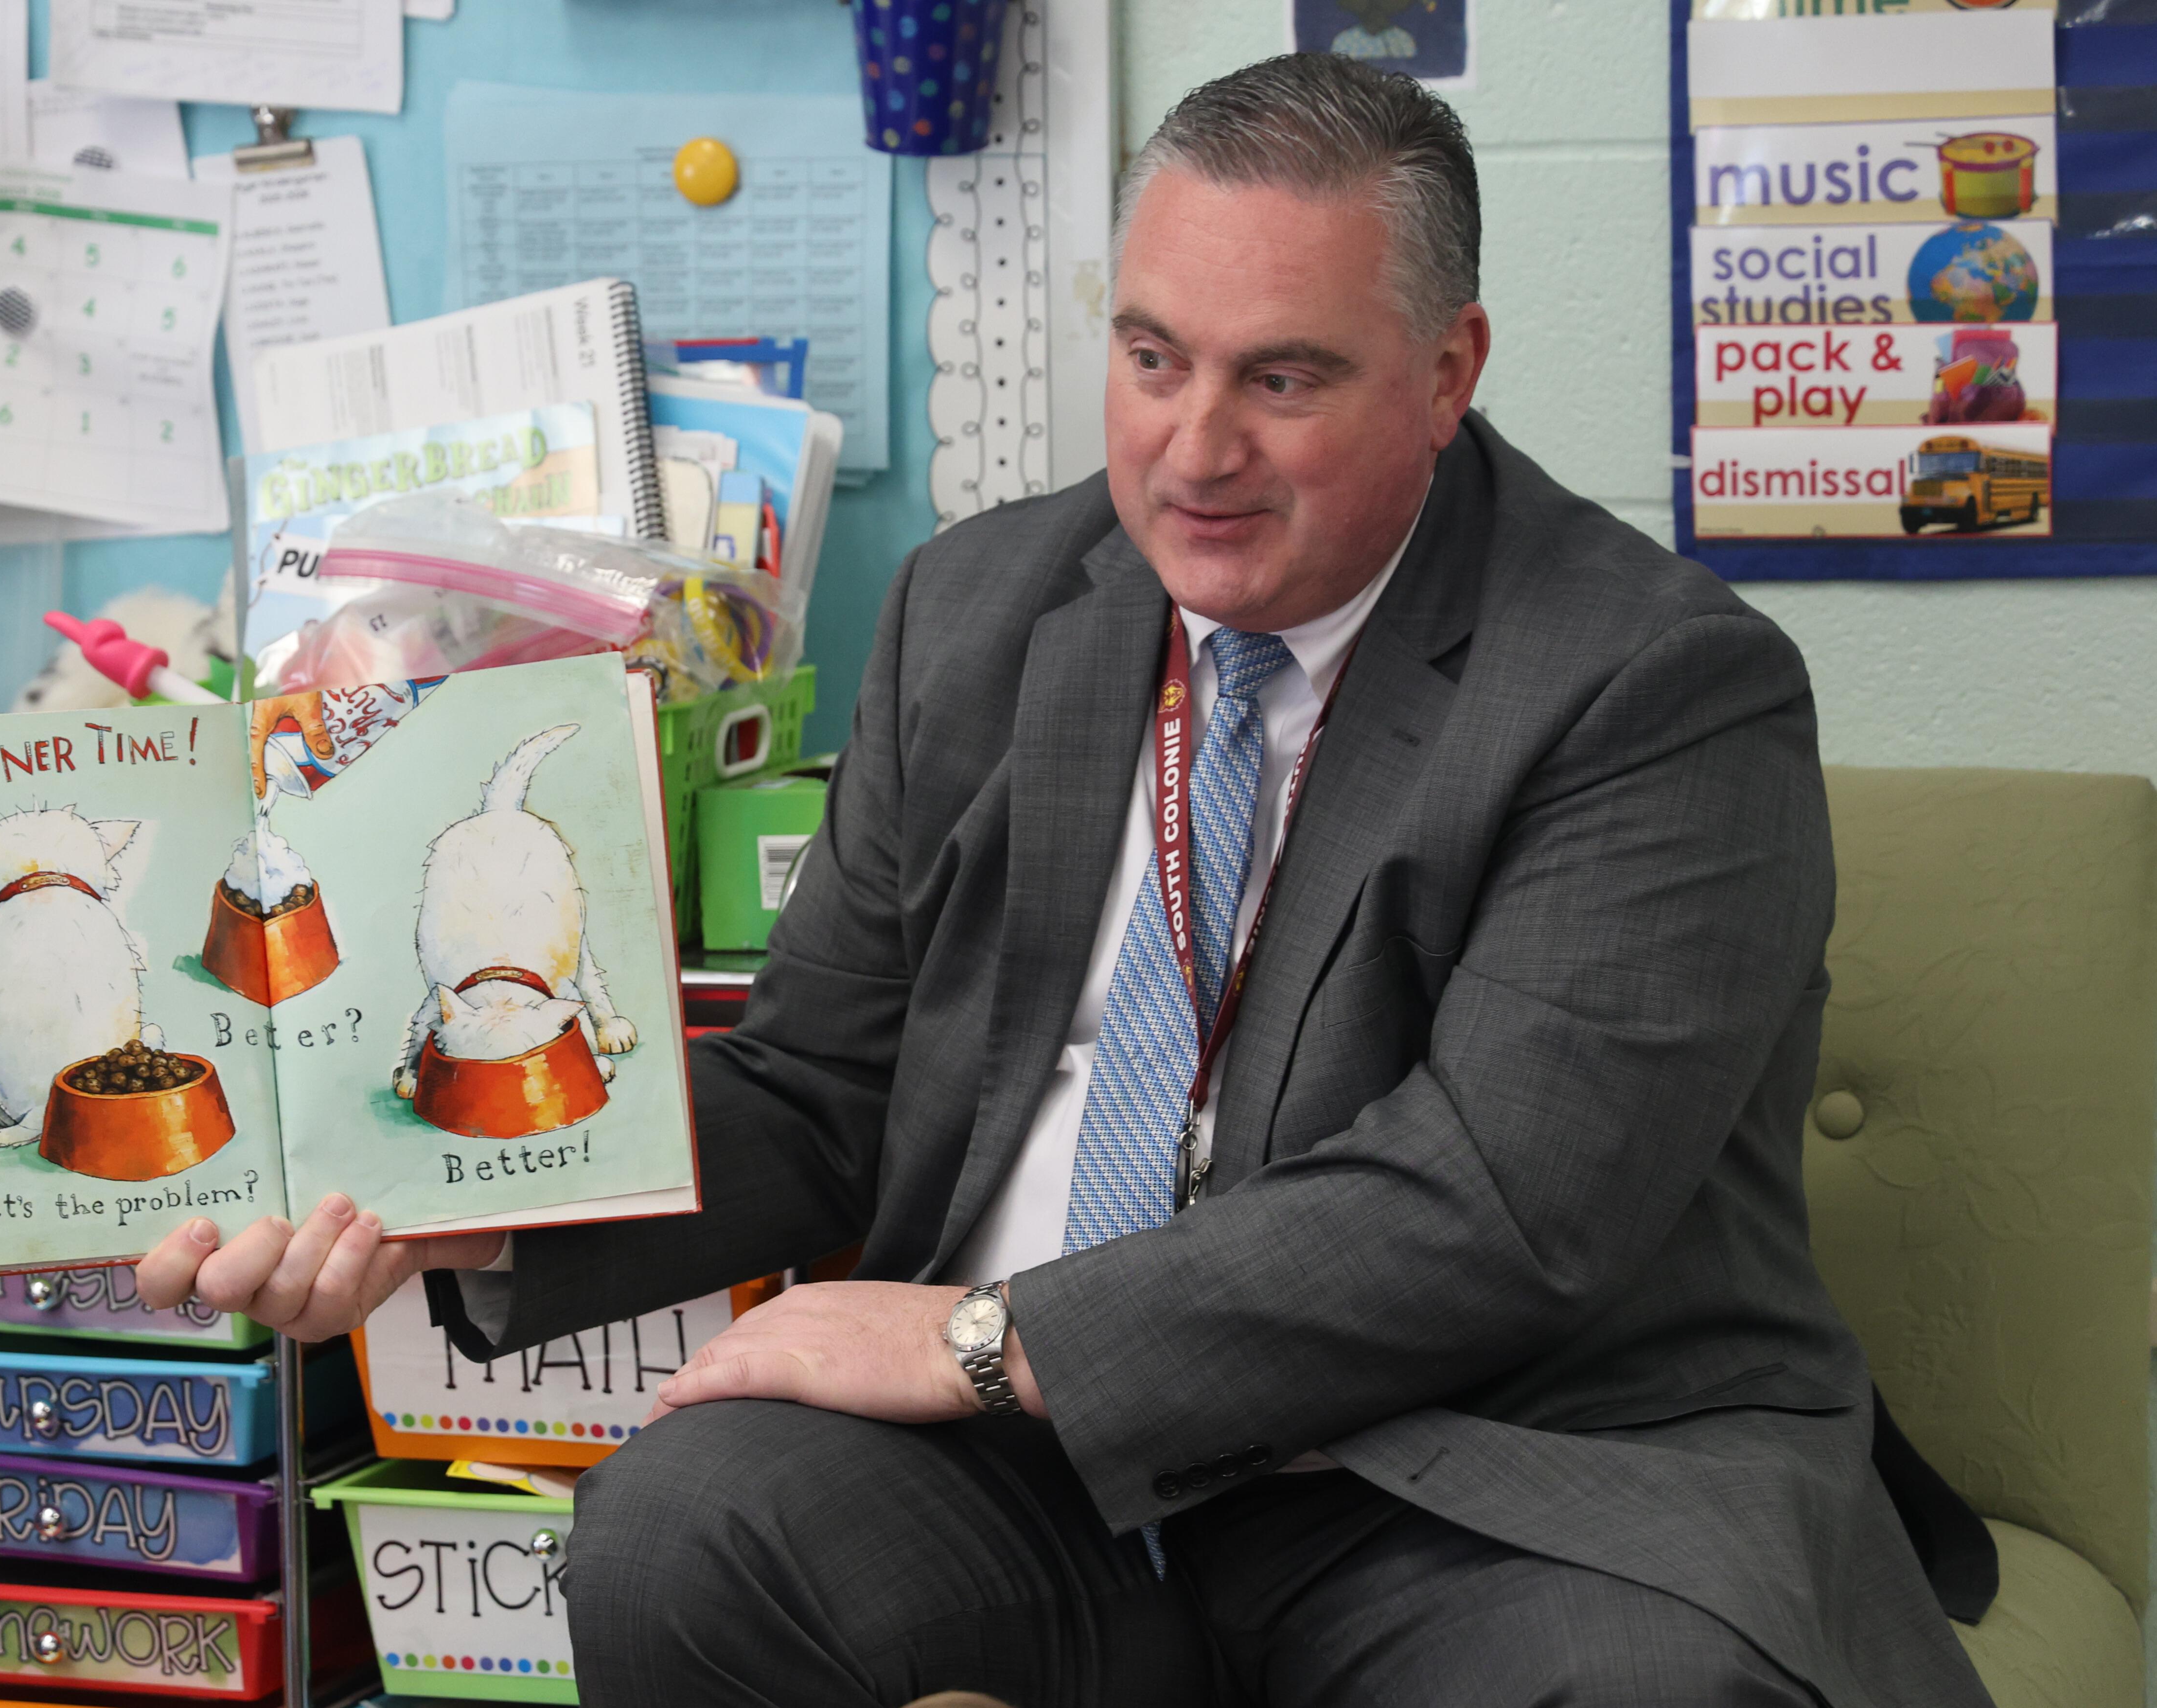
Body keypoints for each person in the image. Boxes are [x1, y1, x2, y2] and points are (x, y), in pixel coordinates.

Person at [140, 54, 1995, 1707]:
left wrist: (986, 1335)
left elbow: (1499, 1208)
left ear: (1448, 373)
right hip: (1039, 1484)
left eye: (1284, 378)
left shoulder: (1654, 682)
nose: (1194, 451)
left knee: (1641, 1686)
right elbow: (815, 1082)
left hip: (1467, 1477)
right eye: (1153, 357)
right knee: (680, 1535)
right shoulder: (979, 609)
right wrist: (475, 1193)